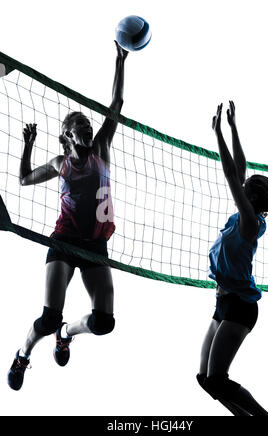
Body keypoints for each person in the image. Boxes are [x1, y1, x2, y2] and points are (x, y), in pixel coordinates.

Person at [8, 41, 128, 391]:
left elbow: (117, 104)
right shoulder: (61, 163)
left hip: (95, 246)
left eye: (89, 125)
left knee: (105, 322)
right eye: (81, 126)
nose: (88, 129)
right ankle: (23, 354)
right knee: (48, 316)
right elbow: (24, 179)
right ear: (67, 135)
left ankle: (67, 334)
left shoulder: (102, 147)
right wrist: (28, 145)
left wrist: (120, 60)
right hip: (64, 242)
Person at [196, 101, 268, 416]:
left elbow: (232, 172)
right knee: (205, 380)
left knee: (217, 378)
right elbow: (240, 167)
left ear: (252, 197)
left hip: (240, 307)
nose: (241, 185)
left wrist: (217, 132)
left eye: (245, 188)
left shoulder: (250, 222)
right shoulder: (245, 213)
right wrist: (234, 128)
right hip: (224, 302)